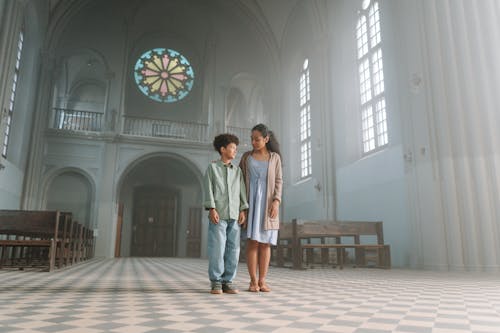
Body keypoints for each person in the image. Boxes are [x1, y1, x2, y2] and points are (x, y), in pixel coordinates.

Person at [203, 133, 249, 294]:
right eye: (232, 148)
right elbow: (208, 189)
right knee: (217, 248)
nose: (235, 151)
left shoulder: (237, 171)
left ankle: (228, 281)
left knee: (233, 249)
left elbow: (242, 191)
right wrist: (212, 208)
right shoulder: (212, 168)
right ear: (223, 149)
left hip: (235, 215)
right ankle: (216, 281)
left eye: (236, 148)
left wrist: (243, 209)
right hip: (219, 215)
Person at [239, 124, 282, 292]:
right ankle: (252, 281)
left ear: (266, 139)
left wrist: (276, 201)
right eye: (252, 139)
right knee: (252, 242)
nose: (254, 142)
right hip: (250, 203)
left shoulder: (275, 158)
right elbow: (240, 182)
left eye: (257, 139)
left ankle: (262, 281)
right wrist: (242, 207)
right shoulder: (246, 157)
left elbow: (279, 180)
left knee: (265, 243)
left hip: (268, 204)